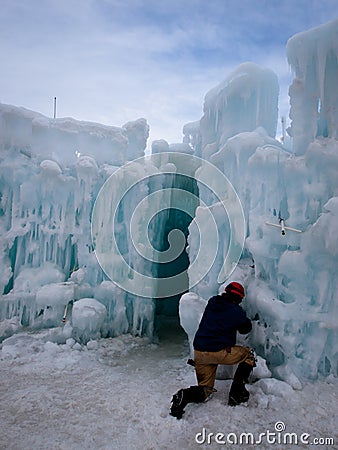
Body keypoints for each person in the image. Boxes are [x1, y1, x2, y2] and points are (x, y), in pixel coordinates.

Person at [170, 282, 255, 419]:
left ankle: (184, 395)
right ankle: (236, 394)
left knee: (205, 390)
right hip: (219, 352)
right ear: (238, 298)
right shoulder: (235, 311)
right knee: (248, 356)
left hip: (200, 353)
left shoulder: (213, 302)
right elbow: (245, 328)